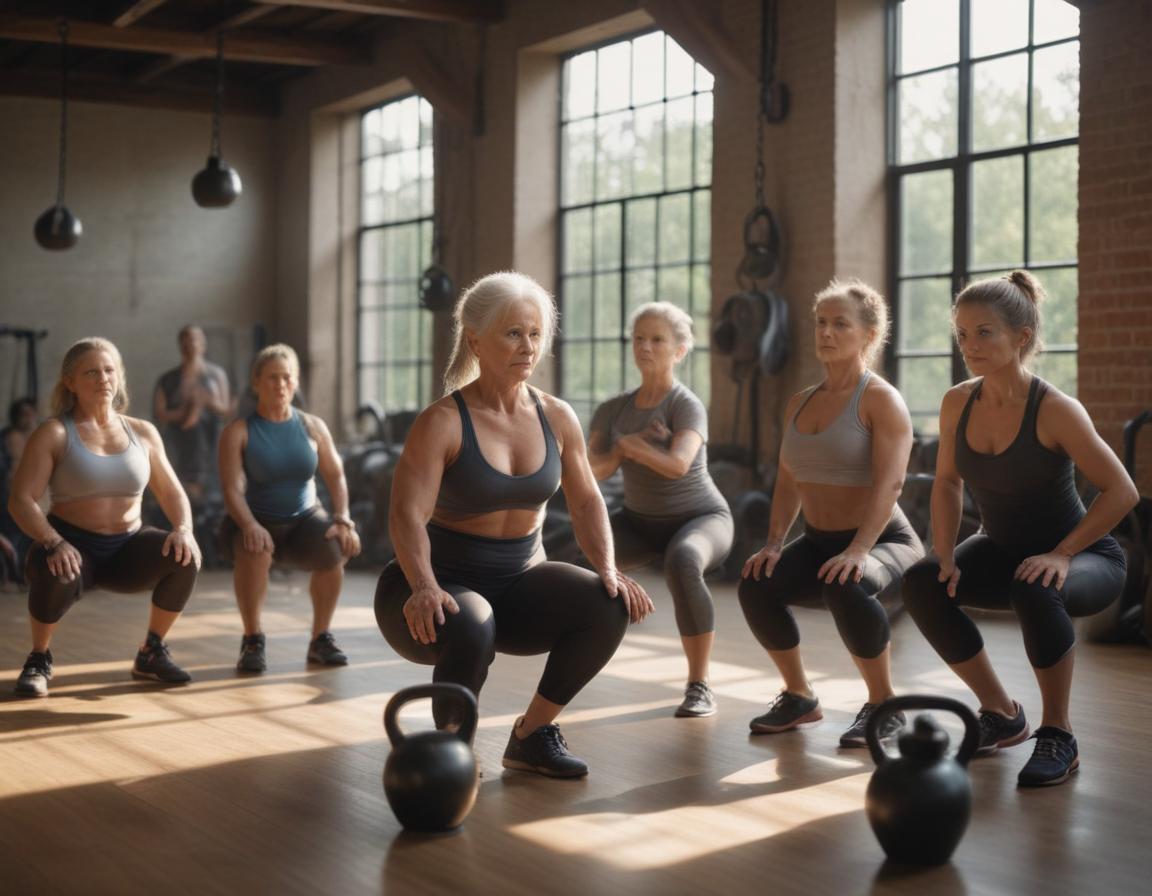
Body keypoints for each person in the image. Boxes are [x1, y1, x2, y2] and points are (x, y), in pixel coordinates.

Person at [375, 271, 654, 778]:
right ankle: (452, 747)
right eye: (512, 333)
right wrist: (424, 585)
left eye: (534, 334)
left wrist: (608, 568)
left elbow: (588, 500)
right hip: (428, 589)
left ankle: (531, 735)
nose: (528, 346)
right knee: (471, 619)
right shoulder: (442, 421)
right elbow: (406, 515)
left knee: (605, 604)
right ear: (476, 340)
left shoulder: (557, 416)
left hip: (519, 581)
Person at [902, 271, 1136, 787]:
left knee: (1034, 583)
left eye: (984, 332)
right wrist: (944, 552)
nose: (969, 345)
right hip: (1002, 548)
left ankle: (1060, 734)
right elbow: (945, 484)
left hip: (1087, 557)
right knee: (923, 581)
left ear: (1021, 337)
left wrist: (1063, 554)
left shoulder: (1055, 409)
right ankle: (1001, 713)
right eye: (962, 333)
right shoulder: (957, 402)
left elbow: (1122, 491)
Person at [738, 279, 925, 746]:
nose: (826, 332)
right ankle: (800, 696)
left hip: (885, 541)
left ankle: (884, 705)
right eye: (821, 323)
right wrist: (775, 542)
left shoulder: (880, 399)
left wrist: (861, 549)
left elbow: (891, 483)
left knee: (844, 581)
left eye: (840, 324)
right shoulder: (800, 402)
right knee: (757, 582)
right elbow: (787, 479)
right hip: (820, 539)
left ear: (868, 334)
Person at [7, 337, 201, 697]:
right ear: (70, 382)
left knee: (184, 556)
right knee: (56, 565)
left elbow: (172, 491)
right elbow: (21, 500)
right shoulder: (54, 432)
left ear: (120, 376)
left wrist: (184, 529)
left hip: (128, 547)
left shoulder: (142, 432)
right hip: (71, 543)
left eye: (109, 370)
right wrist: (53, 540)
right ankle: (38, 657)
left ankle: (151, 651)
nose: (103, 378)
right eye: (91, 371)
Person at [587, 302, 733, 717]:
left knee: (683, 560)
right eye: (639, 338)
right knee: (581, 562)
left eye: (657, 339)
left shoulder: (685, 405)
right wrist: (623, 446)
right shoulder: (612, 410)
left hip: (701, 518)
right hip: (639, 521)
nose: (645, 347)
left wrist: (636, 447)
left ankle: (700, 685)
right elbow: (592, 471)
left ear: (680, 350)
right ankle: (576, 662)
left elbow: (678, 465)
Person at [218, 344, 361, 673]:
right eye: (272, 378)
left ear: (296, 383)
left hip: (304, 520)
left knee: (335, 546)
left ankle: (320, 639)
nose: (280, 385)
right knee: (254, 550)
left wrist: (343, 518)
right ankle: (252, 639)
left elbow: (336, 475)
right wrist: (251, 525)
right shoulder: (238, 431)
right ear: (256, 383)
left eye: (287, 378)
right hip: (254, 520)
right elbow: (231, 489)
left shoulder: (312, 426)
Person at [153, 325, 233, 504]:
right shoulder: (168, 379)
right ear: (180, 345)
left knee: (199, 421)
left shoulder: (216, 375)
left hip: (210, 434)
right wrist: (185, 412)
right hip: (178, 434)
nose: (191, 344)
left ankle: (199, 482)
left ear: (203, 344)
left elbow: (226, 410)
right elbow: (160, 413)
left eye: (195, 339)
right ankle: (188, 483)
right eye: (186, 340)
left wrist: (204, 403)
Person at [1, 397, 39, 581]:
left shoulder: (39, 437)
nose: (29, 418)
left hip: (35, 500)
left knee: (30, 539)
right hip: (10, 497)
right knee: (12, 539)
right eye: (25, 414)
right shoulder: (8, 438)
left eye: (32, 414)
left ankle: (25, 576)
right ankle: (9, 576)